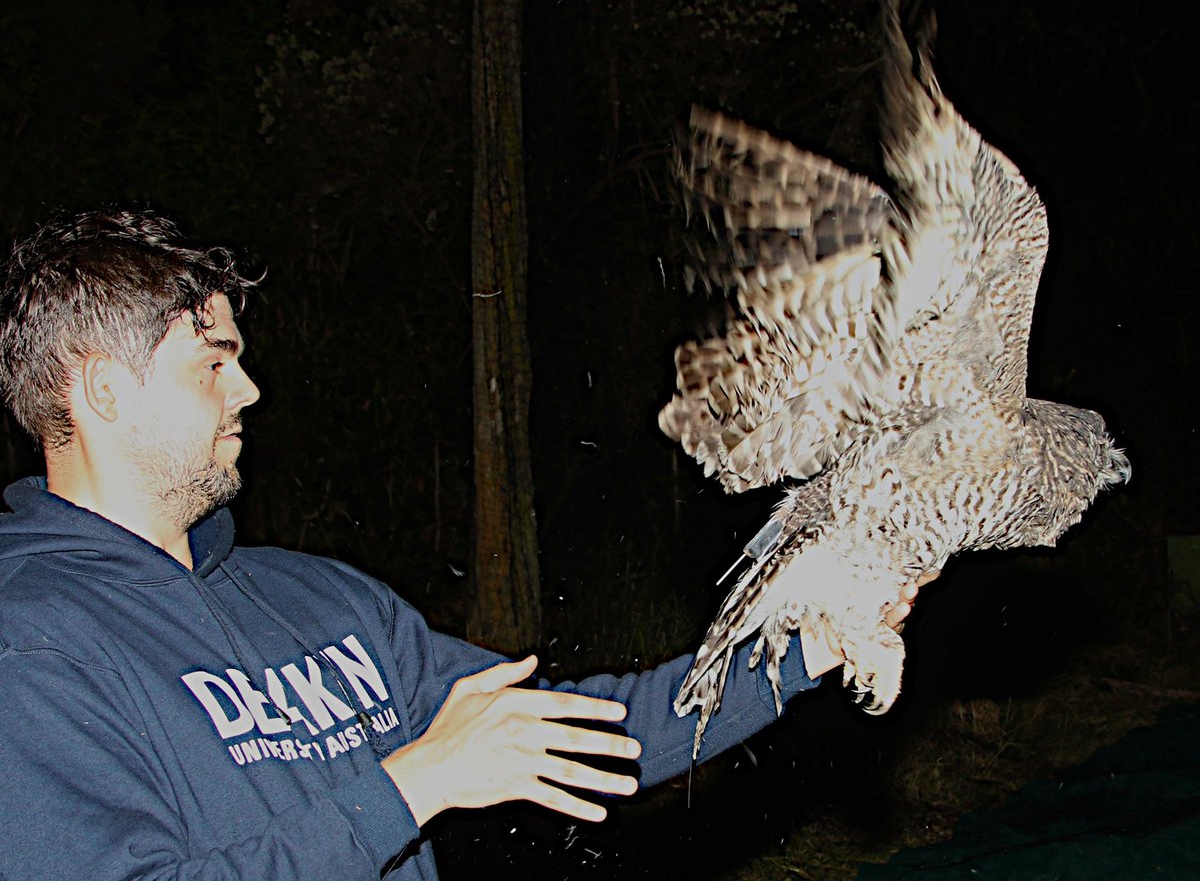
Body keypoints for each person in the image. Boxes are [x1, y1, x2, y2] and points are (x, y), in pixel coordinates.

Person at [0, 209, 921, 880]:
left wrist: (806, 648)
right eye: (213, 364)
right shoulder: (30, 645)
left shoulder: (322, 601)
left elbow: (593, 733)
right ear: (104, 392)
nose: (248, 391)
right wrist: (417, 783)